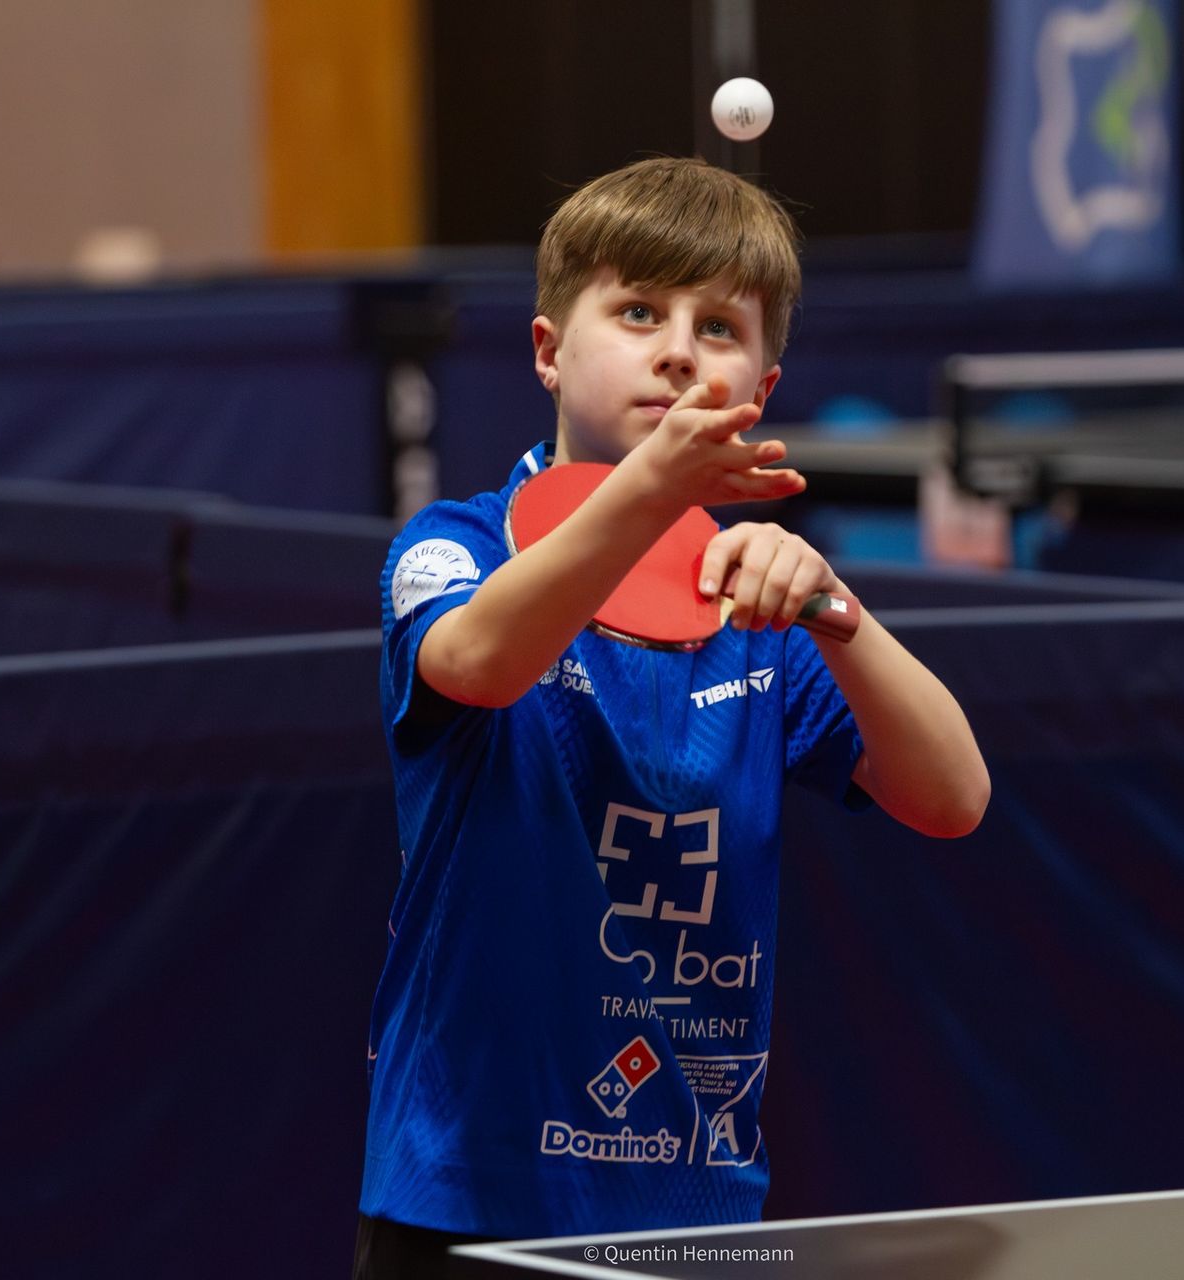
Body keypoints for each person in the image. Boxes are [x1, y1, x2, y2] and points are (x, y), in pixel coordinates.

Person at [355, 156, 989, 1278]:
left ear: (761, 386)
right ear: (549, 349)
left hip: (694, 1201)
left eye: (719, 327)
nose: (680, 351)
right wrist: (650, 488)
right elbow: (478, 662)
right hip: (465, 1189)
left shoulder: (762, 606)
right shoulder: (454, 546)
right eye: (639, 311)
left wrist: (836, 612)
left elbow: (954, 798)